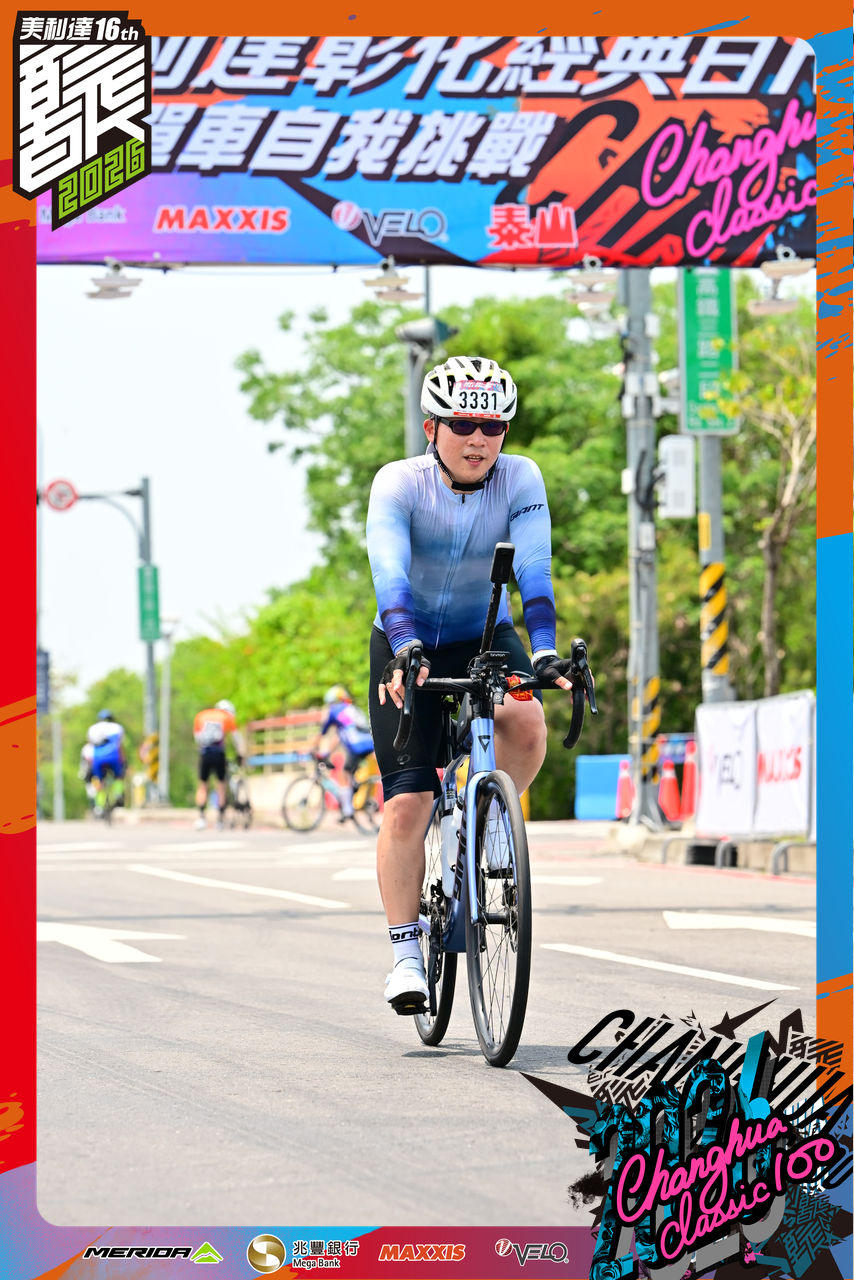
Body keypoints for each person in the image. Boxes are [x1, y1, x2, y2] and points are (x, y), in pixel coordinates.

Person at [366, 354, 577, 1014]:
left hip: (485, 631)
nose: (479, 439)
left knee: (527, 720)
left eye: (493, 427)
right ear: (432, 428)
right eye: (463, 424)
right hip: (407, 638)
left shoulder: (521, 477)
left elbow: (534, 567)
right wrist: (405, 647)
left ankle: (487, 827)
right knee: (408, 803)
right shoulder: (399, 483)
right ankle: (406, 957)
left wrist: (545, 651)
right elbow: (390, 575)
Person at [310, 686, 375, 824]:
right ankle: (354, 793)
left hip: (357, 745)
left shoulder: (334, 711)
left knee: (343, 774)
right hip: (369, 742)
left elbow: (321, 733)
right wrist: (327, 752)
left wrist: (311, 749)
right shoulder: (351, 709)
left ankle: (347, 811)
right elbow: (339, 736)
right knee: (351, 774)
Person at [193, 699, 245, 830]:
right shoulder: (226, 717)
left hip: (205, 753)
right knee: (221, 785)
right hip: (218, 753)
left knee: (202, 785)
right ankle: (220, 820)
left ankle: (201, 818)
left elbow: (197, 737)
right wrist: (240, 754)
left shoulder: (201, 715)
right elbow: (236, 738)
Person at [85, 710, 127, 816]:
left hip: (98, 757)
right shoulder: (117, 727)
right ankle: (118, 795)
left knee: (99, 781)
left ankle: (99, 806)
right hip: (114, 756)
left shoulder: (92, 728)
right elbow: (120, 745)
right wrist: (124, 761)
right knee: (118, 777)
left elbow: (90, 746)